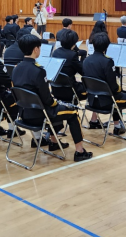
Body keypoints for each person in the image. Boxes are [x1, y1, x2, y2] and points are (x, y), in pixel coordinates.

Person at [12, 33, 93, 161]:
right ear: (36, 49)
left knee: (57, 108)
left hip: (24, 113)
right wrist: (56, 103)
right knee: (72, 113)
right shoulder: (39, 71)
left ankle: (54, 142)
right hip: (40, 115)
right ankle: (80, 151)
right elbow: (47, 100)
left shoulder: (16, 68)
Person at [83, 32, 126, 139]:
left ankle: (117, 126)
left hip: (92, 100)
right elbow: (113, 87)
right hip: (106, 102)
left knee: (116, 94)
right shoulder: (108, 61)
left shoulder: (86, 60)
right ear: (107, 46)